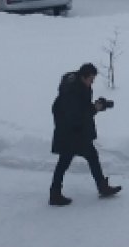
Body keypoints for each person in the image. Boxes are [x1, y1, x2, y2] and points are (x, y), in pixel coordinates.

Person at [49, 63, 122, 206]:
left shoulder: (78, 86)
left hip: (75, 132)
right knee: (68, 161)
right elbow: (77, 115)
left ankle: (56, 193)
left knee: (78, 158)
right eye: (91, 79)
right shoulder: (72, 92)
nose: (92, 82)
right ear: (83, 76)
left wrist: (99, 106)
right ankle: (56, 194)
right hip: (71, 132)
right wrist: (95, 108)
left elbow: (82, 109)